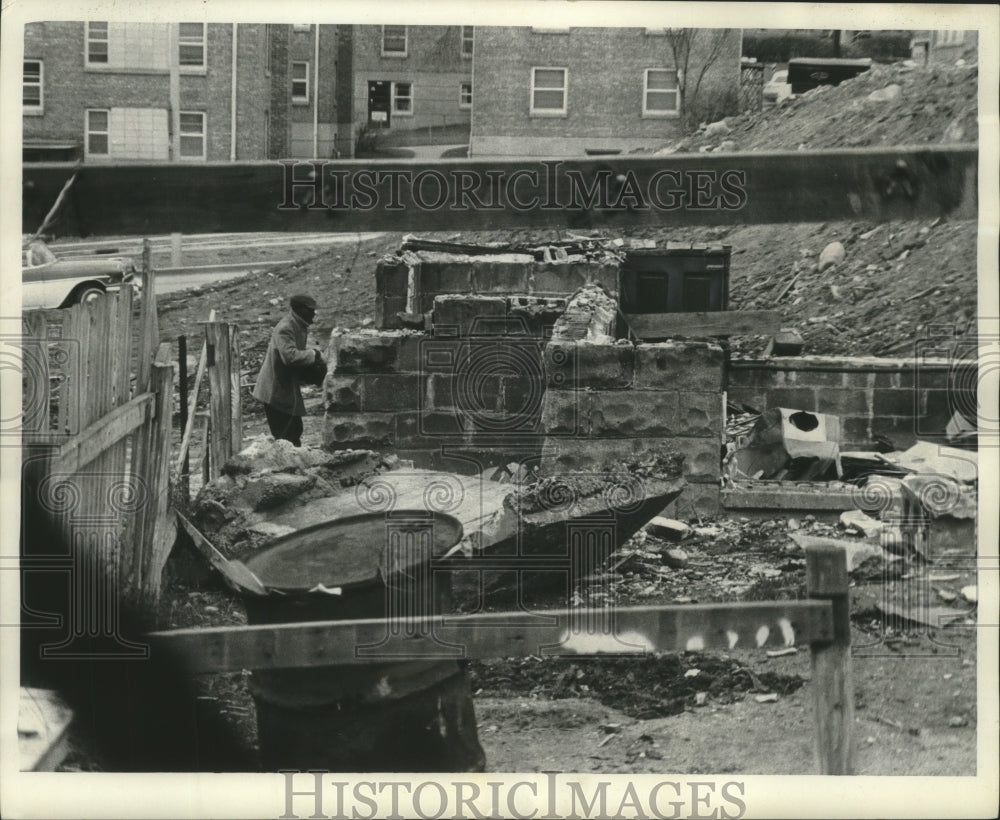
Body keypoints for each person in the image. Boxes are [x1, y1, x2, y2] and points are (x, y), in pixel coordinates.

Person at [252, 293, 323, 447]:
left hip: (285, 389)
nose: (314, 313)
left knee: (295, 430)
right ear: (300, 310)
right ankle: (285, 468)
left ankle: (291, 465)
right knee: (285, 438)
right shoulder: (286, 328)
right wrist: (314, 354)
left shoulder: (298, 325)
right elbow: (289, 357)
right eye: (311, 310)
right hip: (275, 391)